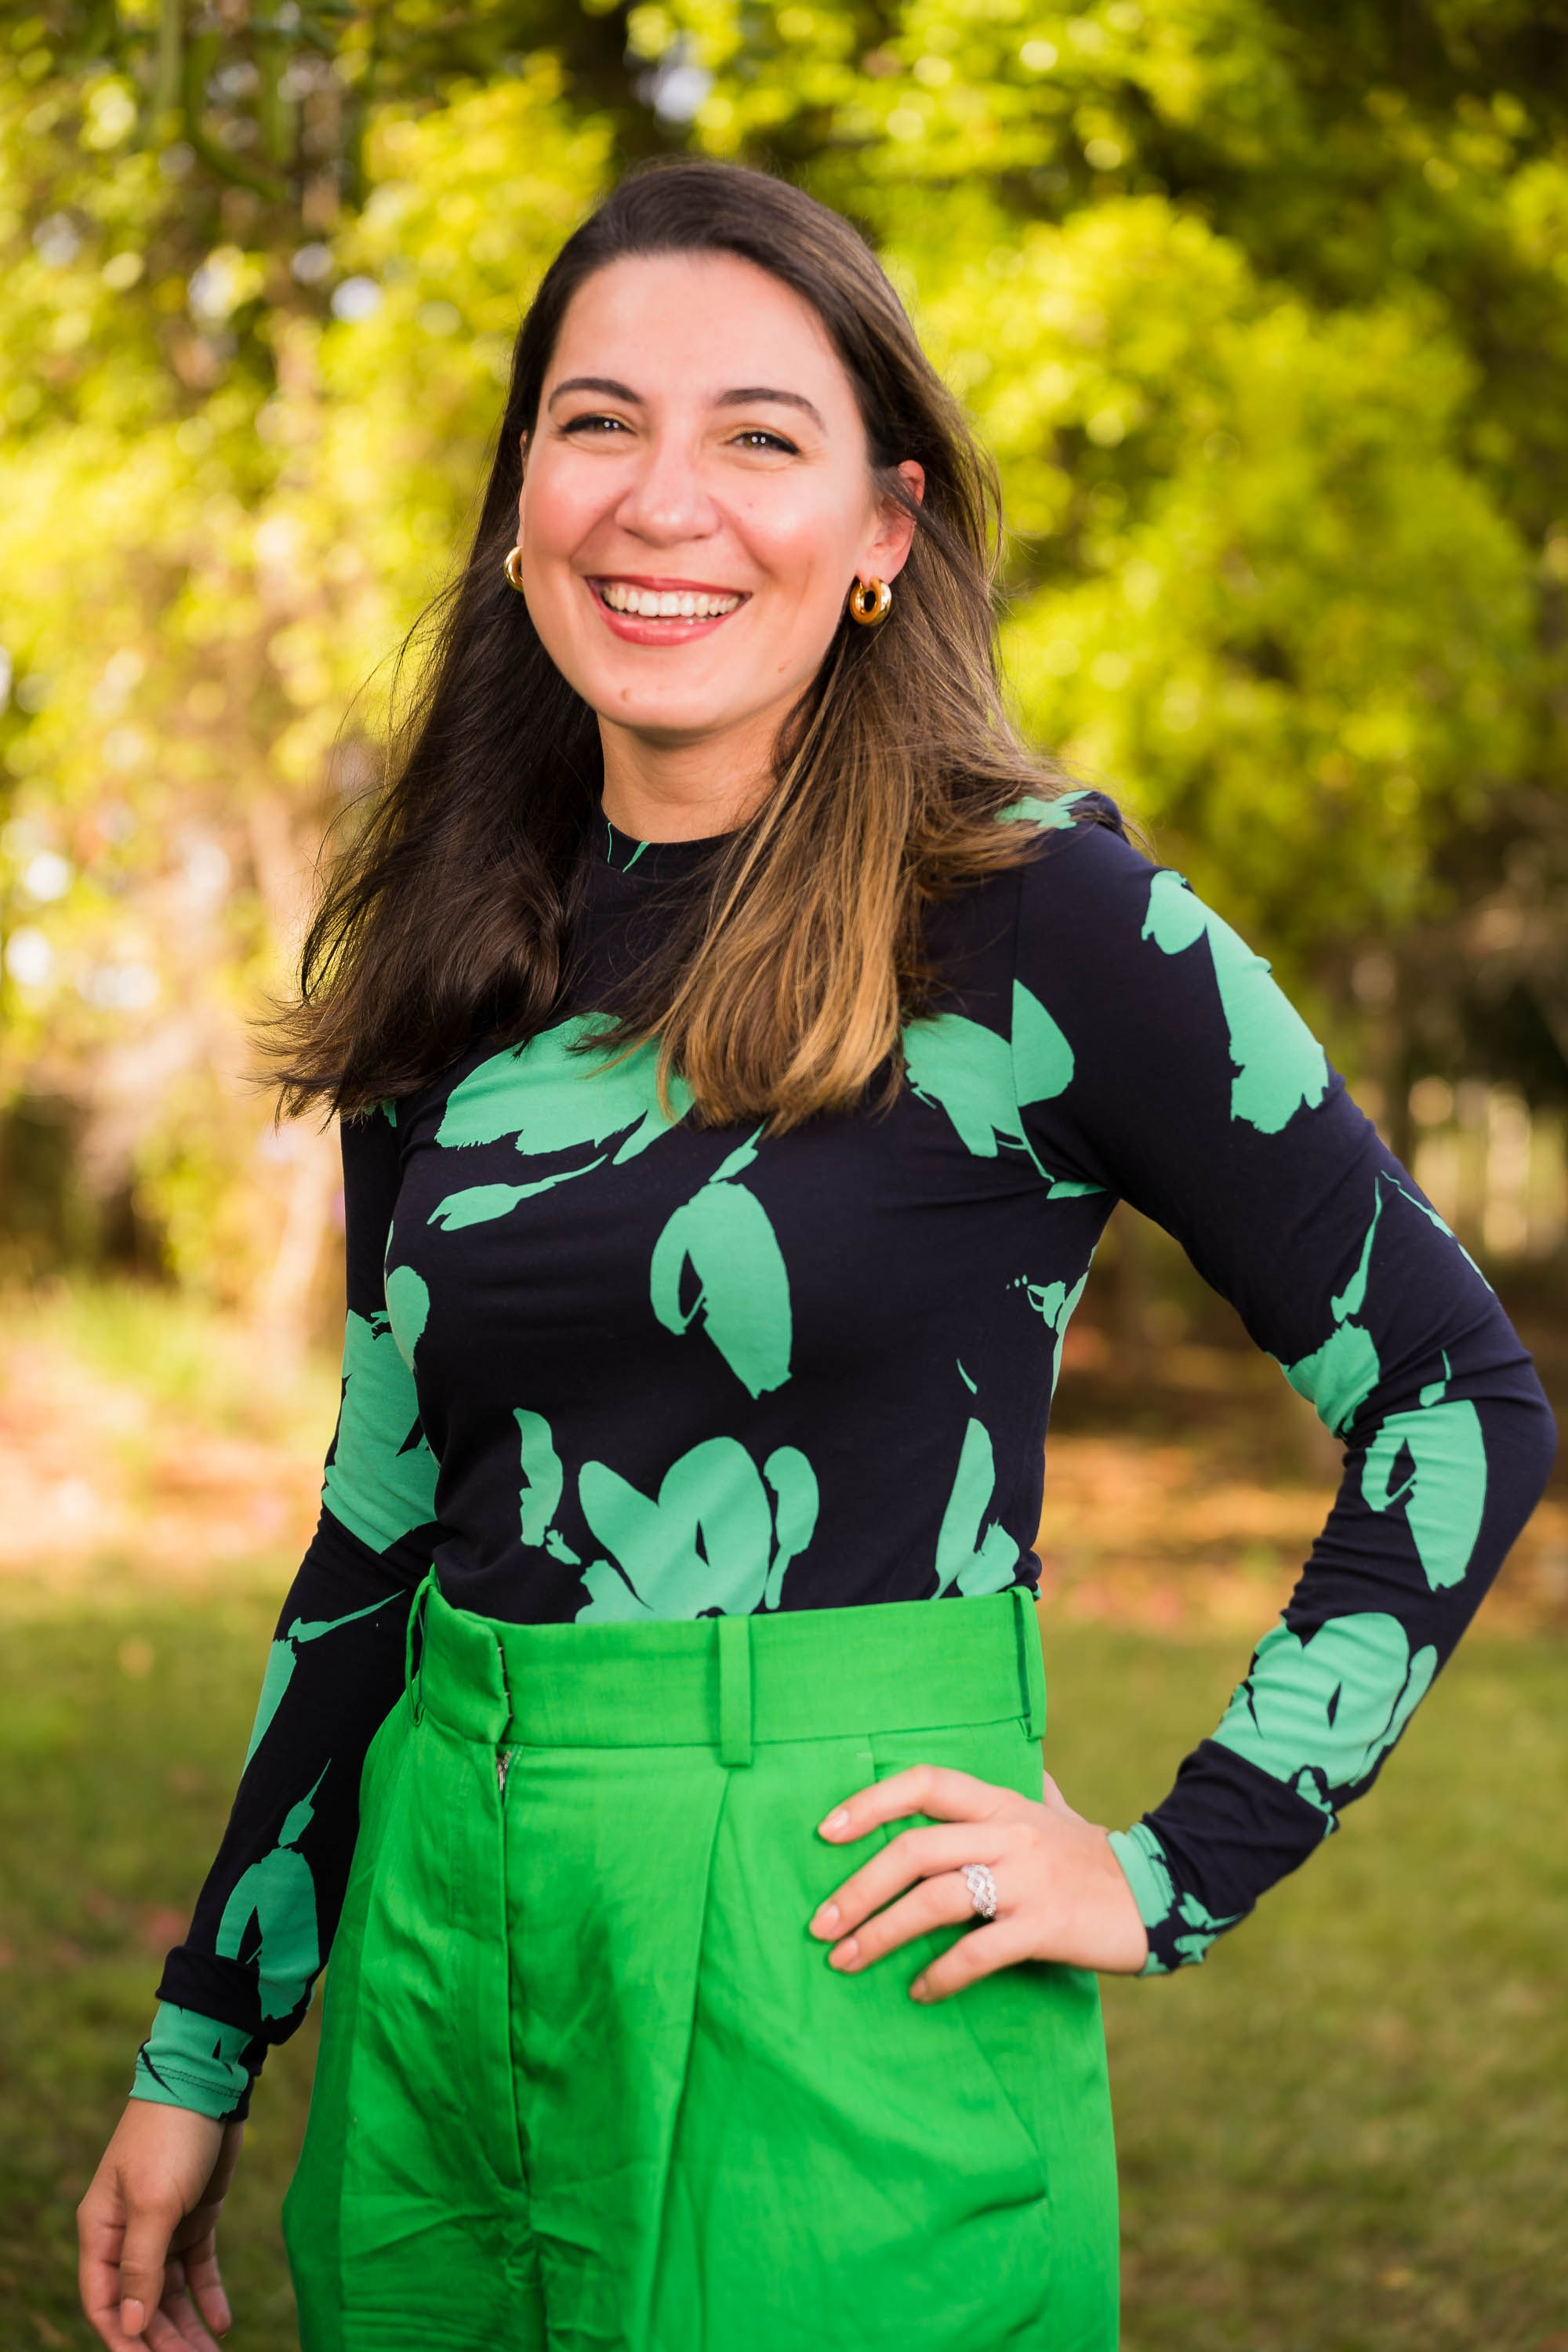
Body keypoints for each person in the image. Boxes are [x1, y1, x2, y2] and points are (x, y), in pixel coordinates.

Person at [78, 157, 1556, 2352]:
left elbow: (1459, 1398)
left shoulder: (1048, 917)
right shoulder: (464, 946)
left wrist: (1171, 1864)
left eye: (759, 436)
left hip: (830, 1961)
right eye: (598, 423)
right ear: (519, 500)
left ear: (884, 528)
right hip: (441, 1959)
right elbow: (383, 1527)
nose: (662, 499)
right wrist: (207, 2040)